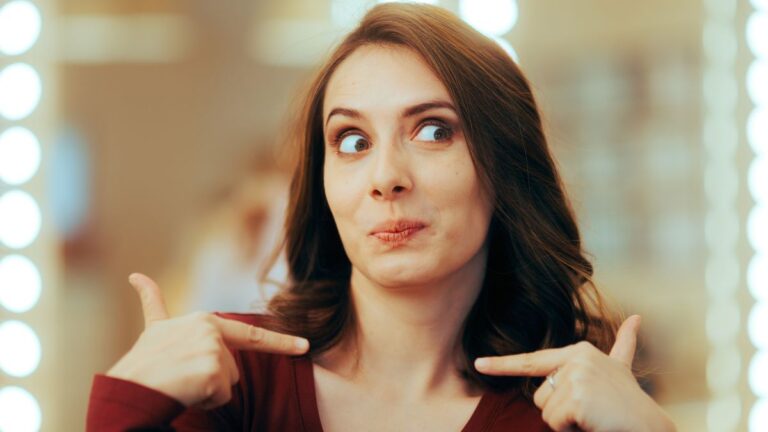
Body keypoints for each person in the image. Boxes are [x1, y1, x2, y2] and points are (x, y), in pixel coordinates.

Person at [86, 3, 676, 431]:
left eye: (433, 130)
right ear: (323, 184)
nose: (384, 176)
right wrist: (126, 406)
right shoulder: (234, 390)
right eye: (351, 140)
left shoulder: (565, 415)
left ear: (505, 165)